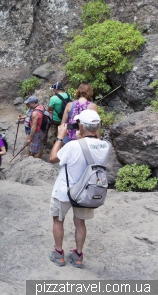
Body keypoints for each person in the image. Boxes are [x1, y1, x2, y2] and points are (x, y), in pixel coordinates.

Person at [48, 110, 111, 268]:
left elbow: (53, 158)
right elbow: (93, 148)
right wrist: (81, 138)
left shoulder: (73, 145)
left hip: (65, 190)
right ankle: (77, 256)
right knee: (80, 222)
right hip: (87, 192)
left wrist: (60, 137)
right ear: (97, 127)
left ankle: (58, 254)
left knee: (58, 220)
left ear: (81, 126)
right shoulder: (106, 146)